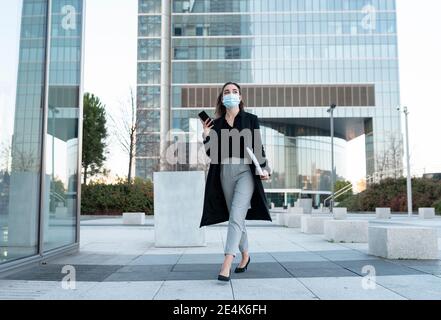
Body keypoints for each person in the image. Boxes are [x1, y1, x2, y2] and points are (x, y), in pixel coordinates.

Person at [199, 82, 272, 282]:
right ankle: (245, 255)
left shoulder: (250, 119)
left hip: (245, 172)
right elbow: (212, 154)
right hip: (224, 172)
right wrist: (206, 135)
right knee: (235, 216)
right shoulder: (217, 124)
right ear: (222, 98)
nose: (231, 94)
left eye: (235, 92)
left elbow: (258, 147)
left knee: (237, 215)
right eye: (227, 92)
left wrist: (265, 169)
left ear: (240, 97)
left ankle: (226, 263)